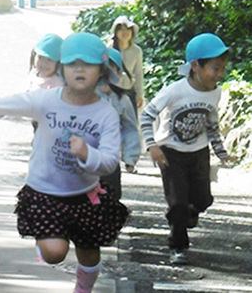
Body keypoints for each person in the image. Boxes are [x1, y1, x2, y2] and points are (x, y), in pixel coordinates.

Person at [0, 32, 129, 293]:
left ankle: (82, 290)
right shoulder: (48, 100)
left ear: (102, 71)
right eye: (72, 64)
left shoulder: (105, 113)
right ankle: (46, 239)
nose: (79, 69)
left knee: (90, 253)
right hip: (44, 192)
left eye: (88, 64)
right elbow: (18, 103)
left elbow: (108, 162)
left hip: (85, 195)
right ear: (62, 69)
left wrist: (87, 154)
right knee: (54, 253)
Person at [140, 33, 230, 265]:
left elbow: (211, 123)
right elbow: (147, 115)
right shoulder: (175, 91)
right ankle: (178, 245)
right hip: (171, 153)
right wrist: (152, 146)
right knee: (178, 202)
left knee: (203, 199)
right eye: (215, 68)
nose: (219, 74)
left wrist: (220, 151)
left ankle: (186, 214)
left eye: (222, 69)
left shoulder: (215, 91)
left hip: (199, 152)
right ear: (195, 66)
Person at [97, 48, 141, 199]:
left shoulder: (122, 100)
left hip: (110, 159)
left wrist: (130, 156)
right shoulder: (83, 94)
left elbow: (130, 129)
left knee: (111, 197)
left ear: (119, 73)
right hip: (84, 158)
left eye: (112, 68)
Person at [110, 15, 144, 115]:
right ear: (116, 33)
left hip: (129, 91)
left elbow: (138, 73)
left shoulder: (136, 51)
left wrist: (140, 95)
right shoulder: (109, 50)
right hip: (112, 92)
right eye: (121, 30)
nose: (125, 33)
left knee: (131, 125)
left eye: (128, 29)